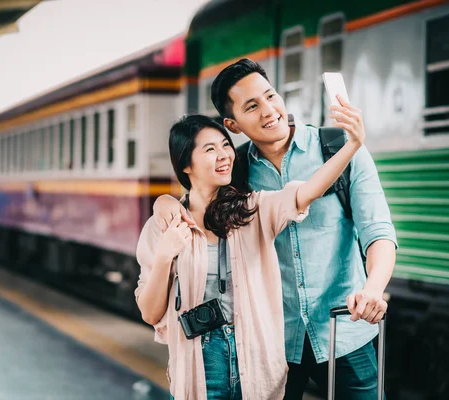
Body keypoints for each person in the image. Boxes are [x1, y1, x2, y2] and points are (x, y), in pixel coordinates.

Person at [153, 59, 397, 399]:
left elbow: (378, 232)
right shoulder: (234, 172)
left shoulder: (340, 148)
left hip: (345, 332)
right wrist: (164, 201)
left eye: (271, 96)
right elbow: (196, 200)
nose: (269, 111)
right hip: (270, 343)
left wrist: (373, 288)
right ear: (232, 124)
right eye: (252, 106)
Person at [136, 111, 365, 399]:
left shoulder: (252, 211)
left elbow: (307, 192)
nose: (224, 155)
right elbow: (149, 312)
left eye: (225, 145)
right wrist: (164, 257)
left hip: (255, 357)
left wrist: (352, 145)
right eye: (210, 149)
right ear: (185, 164)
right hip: (200, 363)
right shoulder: (164, 227)